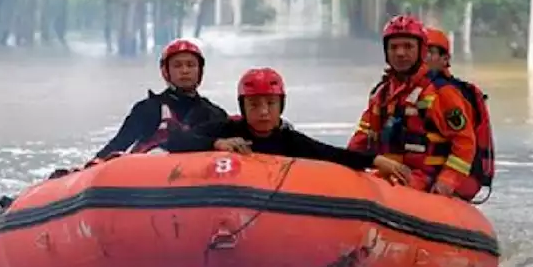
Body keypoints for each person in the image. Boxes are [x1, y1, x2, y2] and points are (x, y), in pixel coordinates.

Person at [165, 67, 412, 182]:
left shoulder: (289, 140)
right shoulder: (227, 130)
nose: (263, 112)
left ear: (280, 106)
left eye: (270, 104)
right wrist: (216, 144)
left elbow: (330, 153)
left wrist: (374, 160)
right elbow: (175, 141)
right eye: (254, 105)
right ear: (243, 108)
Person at [347, 15, 478, 198]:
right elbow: (360, 139)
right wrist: (345, 167)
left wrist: (447, 181)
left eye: (408, 46)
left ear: (421, 51)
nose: (400, 53)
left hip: (424, 181)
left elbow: (464, 142)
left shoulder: (442, 92)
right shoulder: (381, 94)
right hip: (387, 177)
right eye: (394, 47)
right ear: (386, 52)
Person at [92, 38, 228, 160]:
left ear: (200, 71)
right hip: (152, 177)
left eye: (191, 65)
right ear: (166, 72)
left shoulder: (215, 114)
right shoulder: (148, 109)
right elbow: (119, 143)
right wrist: (92, 164)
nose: (185, 71)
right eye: (177, 65)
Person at [419, 25, 496, 201]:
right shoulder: (400, 91)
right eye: (421, 52)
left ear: (445, 59)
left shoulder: (446, 93)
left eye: (429, 52)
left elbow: (464, 142)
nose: (423, 58)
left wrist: (448, 180)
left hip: (446, 177)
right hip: (414, 173)